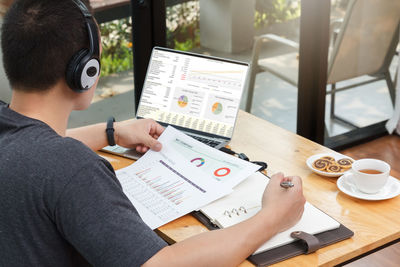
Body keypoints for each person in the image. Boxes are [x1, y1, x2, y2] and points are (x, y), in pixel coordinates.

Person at [0, 0, 306, 266]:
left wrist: (113, 132)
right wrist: (273, 217)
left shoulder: (17, 136)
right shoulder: (70, 167)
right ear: (85, 71)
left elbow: (34, 150)